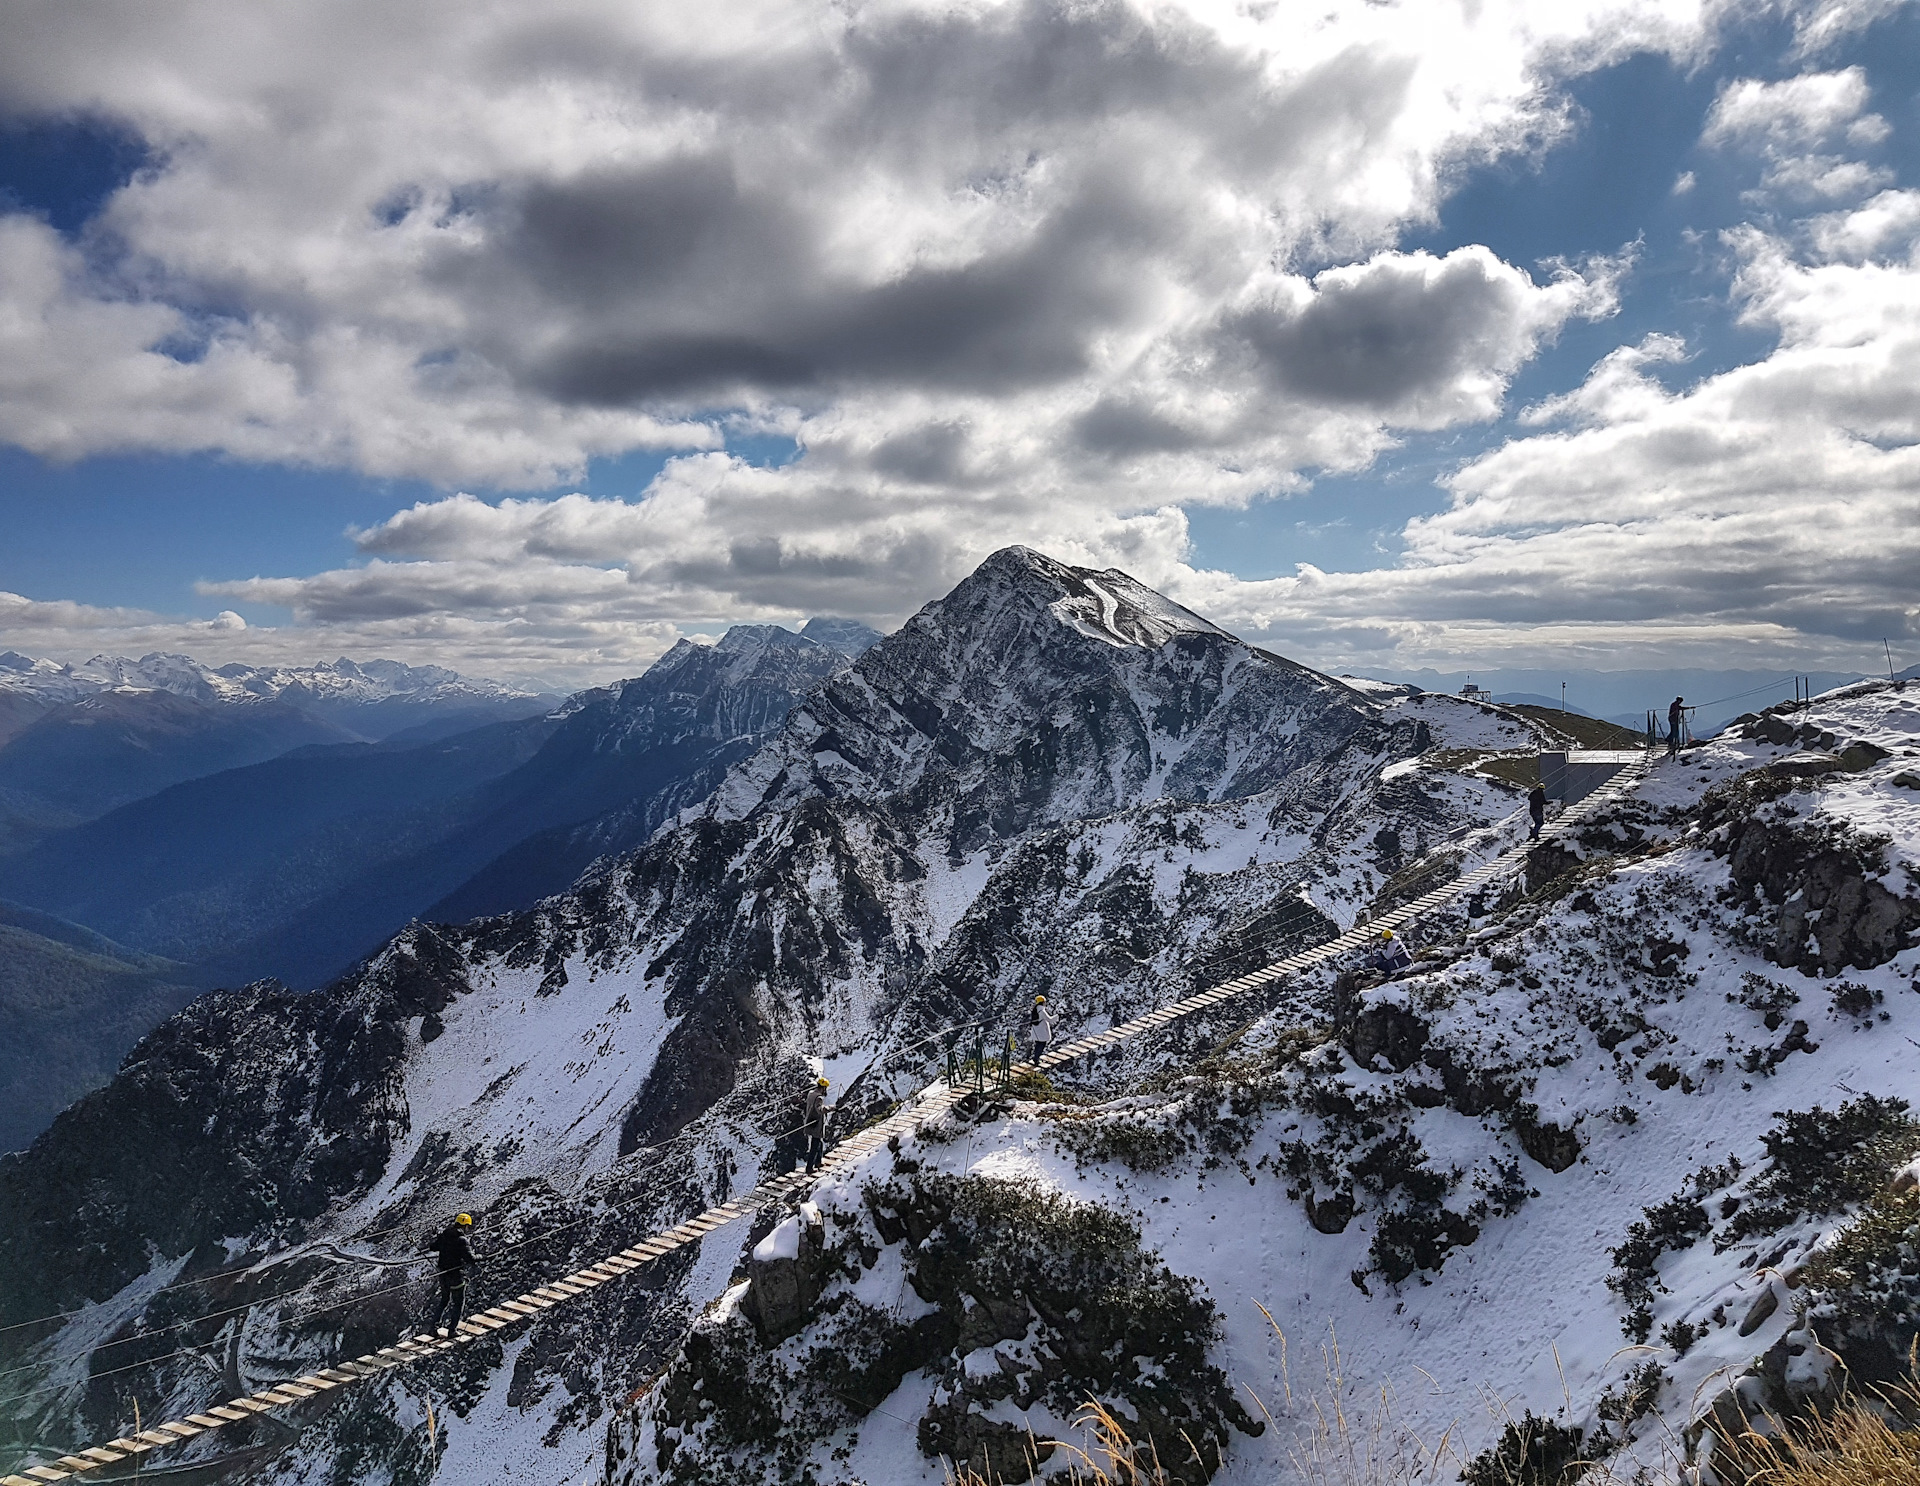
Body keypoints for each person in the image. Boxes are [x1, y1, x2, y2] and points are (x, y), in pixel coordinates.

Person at [426, 1213, 478, 1337]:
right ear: (465, 1225)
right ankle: (452, 1330)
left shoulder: (445, 1235)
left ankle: (433, 1328)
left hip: (443, 1275)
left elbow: (433, 1247)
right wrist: (482, 1257)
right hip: (456, 1276)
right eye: (468, 1227)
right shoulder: (462, 1240)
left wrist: (440, 1239)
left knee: (444, 1301)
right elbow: (470, 1258)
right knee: (458, 1302)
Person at [802, 1076, 830, 1173]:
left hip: (809, 1121)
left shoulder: (810, 1094)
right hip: (816, 1124)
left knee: (819, 1142)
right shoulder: (819, 1098)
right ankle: (809, 1168)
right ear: (823, 1088)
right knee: (815, 1145)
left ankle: (818, 1161)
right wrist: (830, 1108)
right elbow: (820, 1110)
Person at [1027, 994, 1053, 1066]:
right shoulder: (1042, 1011)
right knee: (1041, 1045)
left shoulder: (1035, 1010)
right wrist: (1058, 1016)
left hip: (1036, 1032)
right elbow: (1049, 1019)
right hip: (1042, 1032)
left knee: (1037, 1045)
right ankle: (1036, 1059)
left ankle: (1035, 1057)